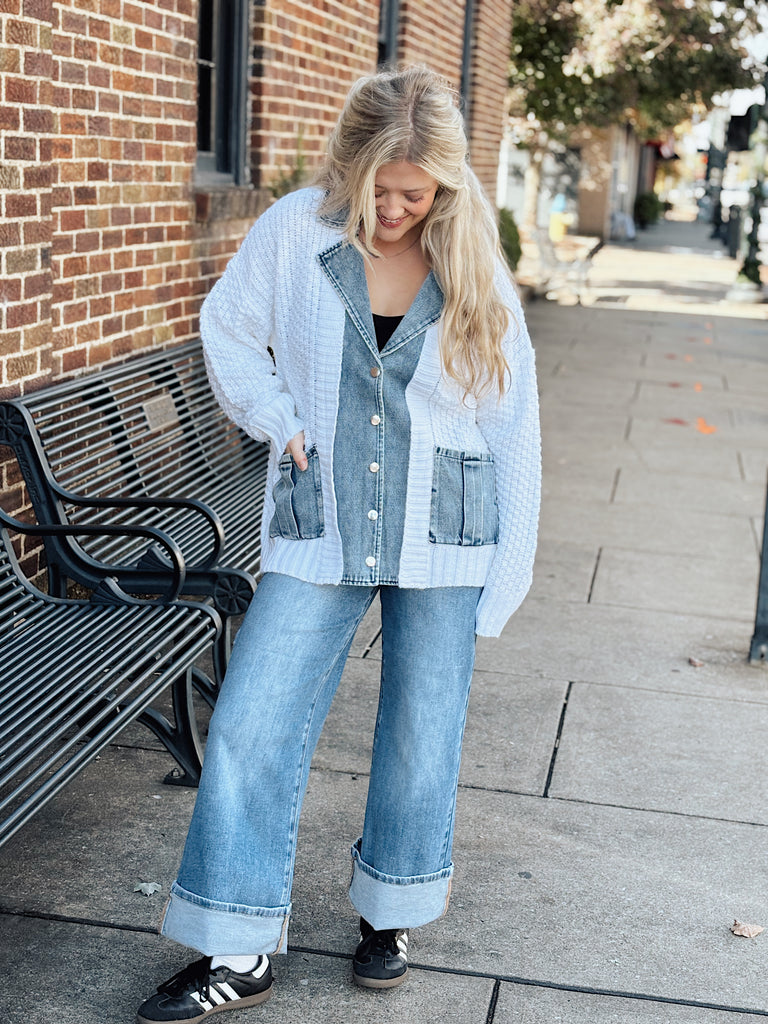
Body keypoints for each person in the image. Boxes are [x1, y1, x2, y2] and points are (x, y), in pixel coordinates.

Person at [137, 64, 540, 1024]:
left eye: (418, 191)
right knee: (250, 720)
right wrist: (275, 414)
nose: (397, 208)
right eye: (383, 189)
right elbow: (228, 330)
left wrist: (508, 571)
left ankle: (389, 914)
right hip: (318, 521)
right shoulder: (293, 232)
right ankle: (235, 948)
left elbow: (512, 419)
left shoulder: (472, 257)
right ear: (348, 168)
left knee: (421, 731)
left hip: (444, 527)